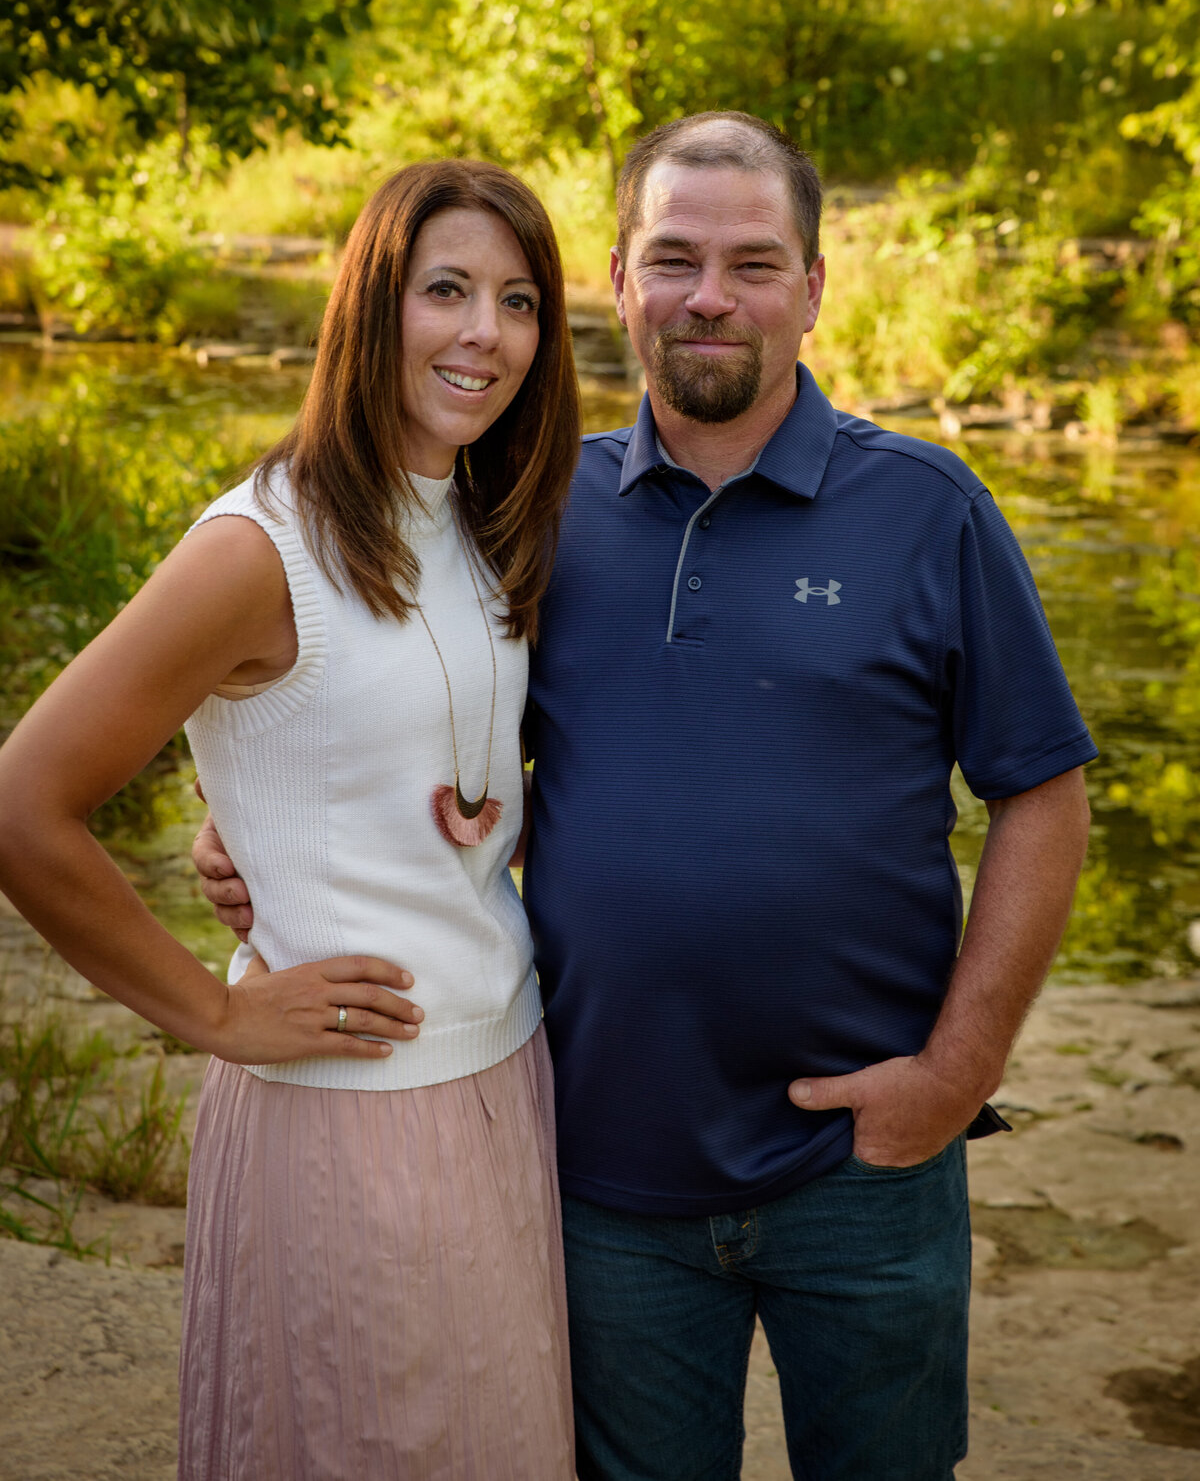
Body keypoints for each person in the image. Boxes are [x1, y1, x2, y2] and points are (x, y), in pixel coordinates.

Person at [196, 112, 1095, 1481]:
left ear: (813, 286)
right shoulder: (526, 504)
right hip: (602, 1170)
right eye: (673, 258)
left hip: (867, 1168)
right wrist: (255, 818)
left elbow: (1042, 790)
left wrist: (959, 1071)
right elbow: (408, 702)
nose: (710, 296)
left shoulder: (931, 507)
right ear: (617, 281)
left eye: (752, 261)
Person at [0, 159, 582, 1481]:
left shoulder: (486, 521)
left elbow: (412, 773)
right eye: (446, 290)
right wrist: (210, 1014)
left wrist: (253, 823)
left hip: (507, 1085)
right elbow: (24, 806)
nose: (485, 332)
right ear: (370, 305)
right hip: (344, 1120)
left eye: (518, 300)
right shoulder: (257, 547)